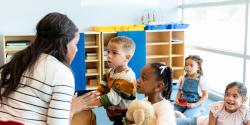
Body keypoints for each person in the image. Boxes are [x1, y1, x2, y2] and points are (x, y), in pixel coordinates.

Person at [0, 12, 99, 125]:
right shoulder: (61, 73)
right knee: (86, 114)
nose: (76, 49)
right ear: (64, 43)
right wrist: (71, 109)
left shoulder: (15, 61)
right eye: (76, 43)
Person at [87, 36, 137, 125]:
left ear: (127, 58)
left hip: (127, 117)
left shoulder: (126, 77)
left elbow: (111, 99)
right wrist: (89, 98)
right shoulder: (109, 73)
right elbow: (101, 90)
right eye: (108, 52)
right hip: (116, 114)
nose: (109, 55)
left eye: (114, 53)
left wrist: (85, 105)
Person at [176, 81, 250, 125]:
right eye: (227, 94)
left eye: (235, 96)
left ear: (244, 100)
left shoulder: (245, 112)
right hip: (197, 122)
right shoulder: (217, 107)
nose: (230, 98)